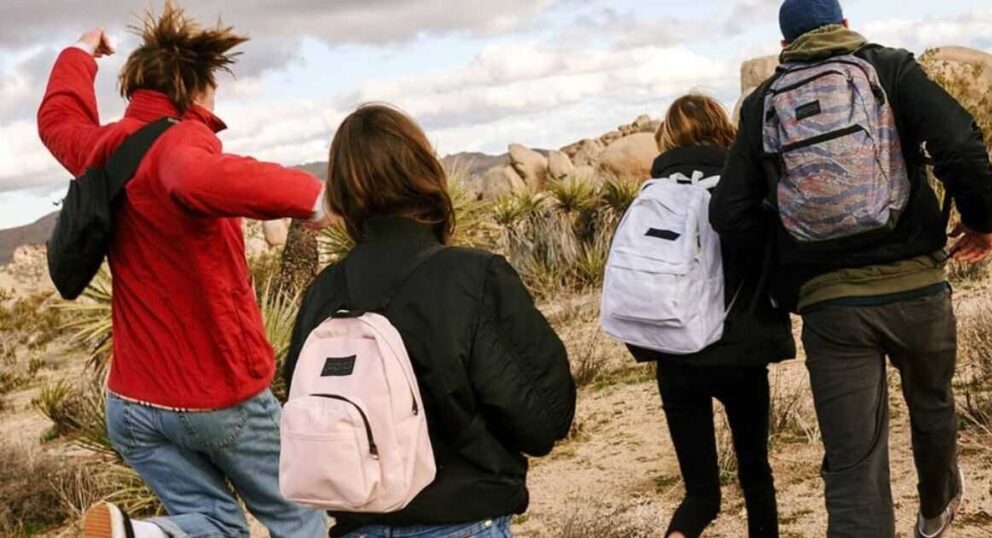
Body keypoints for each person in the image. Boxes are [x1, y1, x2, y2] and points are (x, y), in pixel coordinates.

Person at [709, 1, 992, 537]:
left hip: (831, 308)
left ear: (784, 46)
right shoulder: (888, 68)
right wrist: (982, 222)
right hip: (917, 288)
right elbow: (959, 142)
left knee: (853, 464)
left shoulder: (763, 104)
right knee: (931, 402)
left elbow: (728, 212)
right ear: (844, 27)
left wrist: (786, 276)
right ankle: (936, 505)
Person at [38, 4, 329, 538]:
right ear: (193, 88)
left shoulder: (102, 148)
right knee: (301, 518)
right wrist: (318, 197)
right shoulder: (179, 143)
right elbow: (195, 175)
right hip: (218, 397)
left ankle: (141, 535)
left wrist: (80, 54)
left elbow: (58, 120)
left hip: (131, 406)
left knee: (217, 525)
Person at [283, 103, 577, 538]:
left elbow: (305, 408)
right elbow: (545, 421)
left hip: (358, 525)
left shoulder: (324, 292)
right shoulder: (473, 277)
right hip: (463, 521)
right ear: (423, 170)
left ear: (342, 191)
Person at [622, 95, 795, 538]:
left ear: (668, 137)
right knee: (756, 475)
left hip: (674, 356)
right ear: (721, 127)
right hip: (740, 353)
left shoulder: (653, 194)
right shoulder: (741, 185)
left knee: (700, 494)